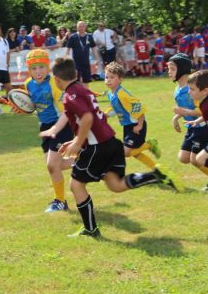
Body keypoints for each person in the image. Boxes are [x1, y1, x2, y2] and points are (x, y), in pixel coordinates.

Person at [44, 57, 181, 237]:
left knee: (76, 185)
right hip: (111, 143)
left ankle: (91, 229)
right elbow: (94, 118)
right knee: (115, 185)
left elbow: (87, 118)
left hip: (97, 148)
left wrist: (77, 143)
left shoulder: (70, 96)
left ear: (57, 79)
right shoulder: (83, 90)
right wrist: (76, 140)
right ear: (76, 74)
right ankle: (156, 175)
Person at [24, 50, 74, 213]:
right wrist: (18, 106)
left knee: (52, 165)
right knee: (55, 166)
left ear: (48, 67)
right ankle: (86, 158)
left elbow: (65, 112)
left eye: (41, 67)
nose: (38, 72)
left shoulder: (54, 83)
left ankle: (60, 201)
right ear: (29, 70)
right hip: (45, 127)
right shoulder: (28, 84)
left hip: (60, 125)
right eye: (34, 68)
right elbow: (31, 106)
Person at [168, 53, 208, 190]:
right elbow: (184, 109)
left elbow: (203, 111)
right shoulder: (179, 89)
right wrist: (176, 117)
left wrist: (184, 113)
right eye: (168, 69)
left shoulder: (193, 90)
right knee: (183, 158)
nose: (169, 72)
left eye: (172, 68)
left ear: (182, 69)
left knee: (195, 160)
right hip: (192, 128)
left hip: (203, 128)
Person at [104, 62, 161, 169]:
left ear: (120, 80)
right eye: (106, 77)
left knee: (126, 152)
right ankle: (156, 169)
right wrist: (105, 115)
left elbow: (138, 107)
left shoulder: (122, 94)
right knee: (135, 153)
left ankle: (150, 144)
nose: (108, 79)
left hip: (136, 125)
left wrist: (139, 125)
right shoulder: (111, 93)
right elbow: (114, 108)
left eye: (112, 77)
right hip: (128, 126)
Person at [188, 71, 208, 186]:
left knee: (200, 159)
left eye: (192, 89)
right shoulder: (205, 102)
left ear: (205, 90)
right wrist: (197, 121)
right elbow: (207, 115)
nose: (189, 92)